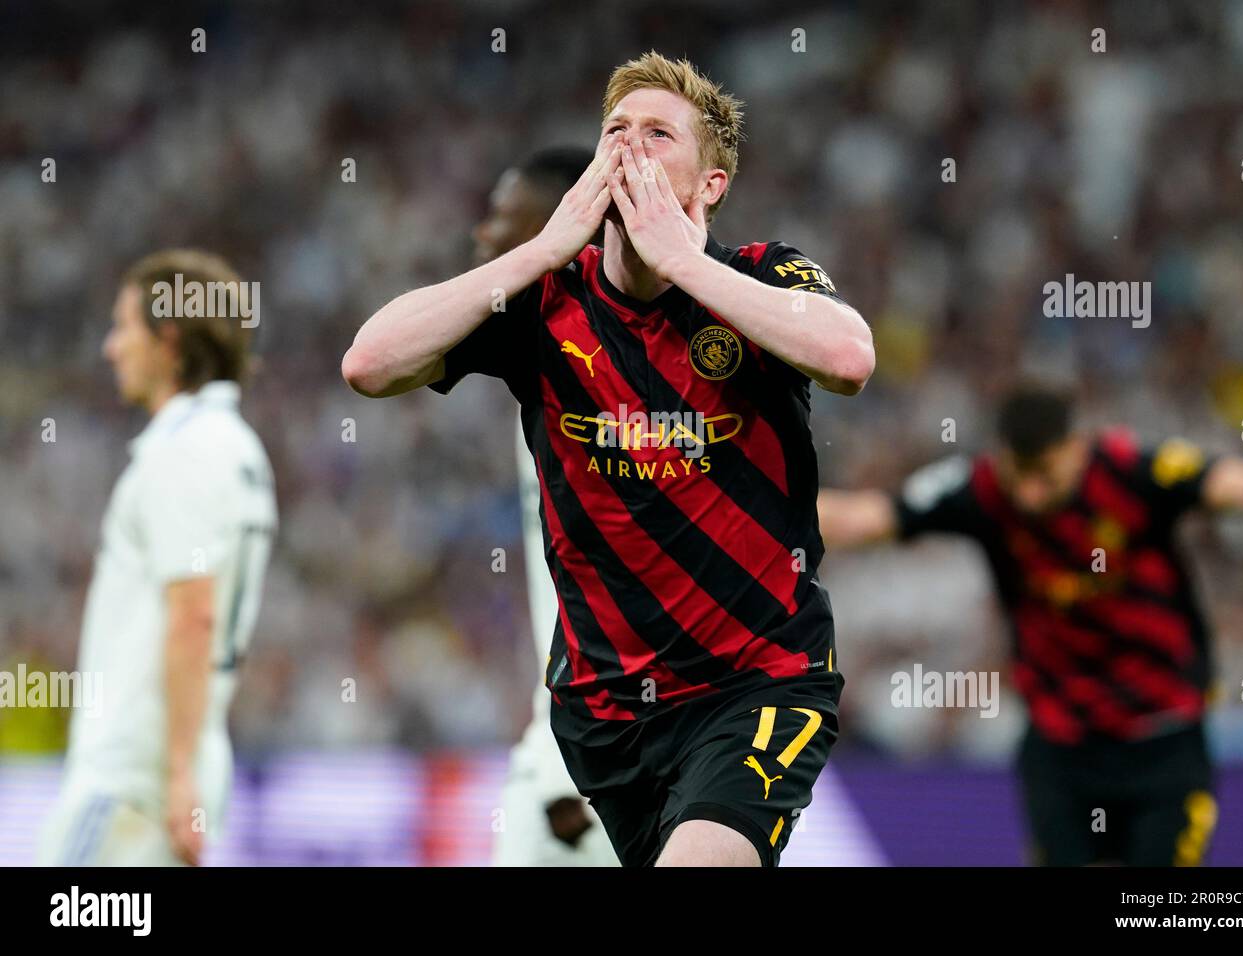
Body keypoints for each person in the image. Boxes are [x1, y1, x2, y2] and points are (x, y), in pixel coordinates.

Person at [343, 51, 874, 866]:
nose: (629, 148)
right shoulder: (547, 302)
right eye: (615, 132)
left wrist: (685, 261)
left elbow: (849, 358)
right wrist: (538, 250)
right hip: (603, 712)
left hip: (759, 679)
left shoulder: (759, 275)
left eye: (659, 135)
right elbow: (370, 364)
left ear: (709, 185)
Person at [818, 383, 1243, 865]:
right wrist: (749, 510)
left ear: (1077, 448)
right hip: (1060, 746)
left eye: (1044, 476)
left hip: (1164, 738)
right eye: (1019, 476)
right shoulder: (980, 487)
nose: (1029, 496)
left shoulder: (1133, 470)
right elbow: (863, 518)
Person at [39, 250, 277, 866]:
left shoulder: (187, 450)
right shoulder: (236, 449)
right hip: (173, 770)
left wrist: (175, 776)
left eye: (123, 327)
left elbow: (193, 613)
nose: (110, 348)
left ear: (168, 339)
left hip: (133, 778)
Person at [475, 147, 619, 866]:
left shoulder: (611, 374)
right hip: (567, 735)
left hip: (600, 751)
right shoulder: (543, 355)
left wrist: (571, 766)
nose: (483, 236)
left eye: (504, 218)